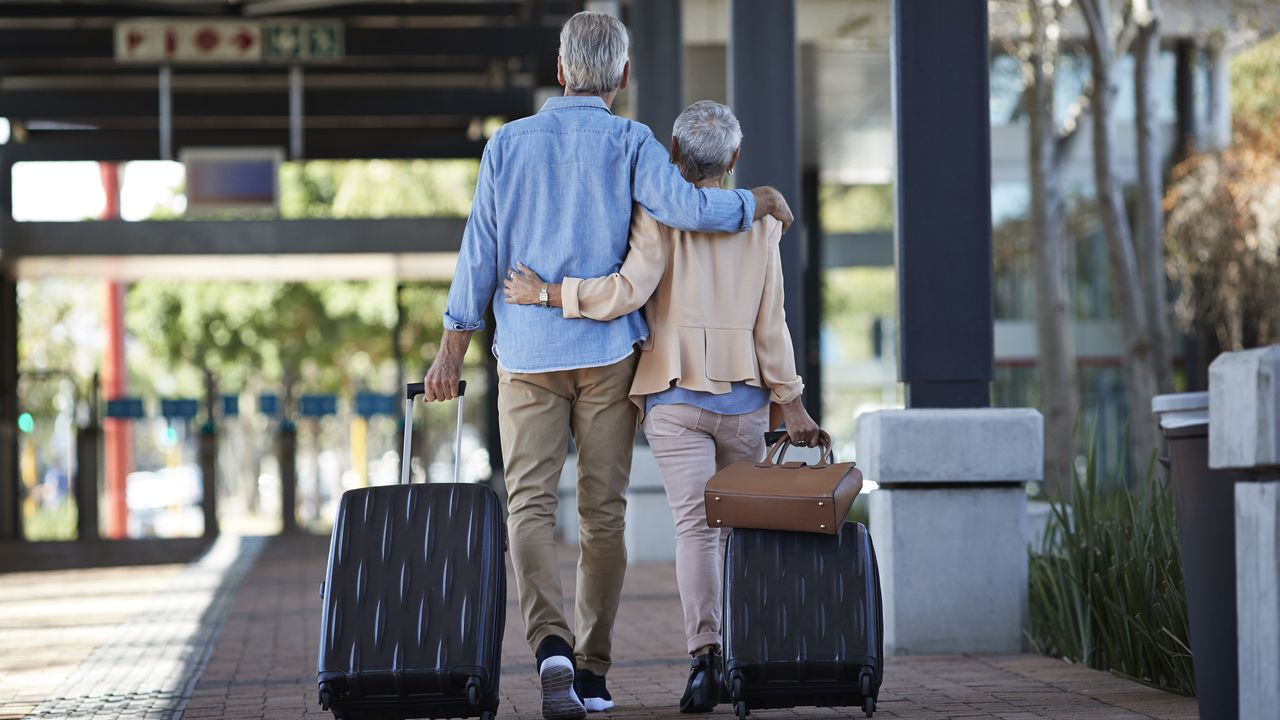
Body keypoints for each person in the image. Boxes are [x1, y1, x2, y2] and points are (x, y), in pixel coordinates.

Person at [422, 12, 795, 720]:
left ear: (561, 71)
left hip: (527, 355)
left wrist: (451, 349)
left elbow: (480, 250)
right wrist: (756, 203)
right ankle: (591, 672)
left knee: (528, 505)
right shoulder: (632, 142)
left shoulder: (506, 144)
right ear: (623, 77)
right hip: (608, 357)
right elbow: (686, 208)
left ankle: (551, 645)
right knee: (602, 514)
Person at [503, 99, 820, 714]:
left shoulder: (656, 216)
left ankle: (703, 661)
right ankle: (741, 660)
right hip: (747, 398)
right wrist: (792, 402)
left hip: (674, 396)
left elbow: (627, 293)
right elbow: (772, 326)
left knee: (694, 529)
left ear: (672, 155)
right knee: (736, 531)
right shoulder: (762, 225)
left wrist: (549, 293)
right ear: (733, 159)